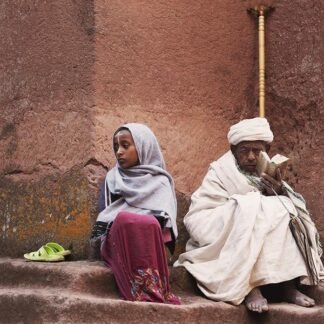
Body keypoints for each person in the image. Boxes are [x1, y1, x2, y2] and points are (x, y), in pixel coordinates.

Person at [175, 117, 323, 313]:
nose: (252, 157)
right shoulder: (219, 172)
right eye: (245, 151)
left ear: (266, 152)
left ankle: (287, 286)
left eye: (257, 151)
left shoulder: (267, 171)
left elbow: (297, 207)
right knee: (253, 207)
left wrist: (276, 192)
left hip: (260, 222)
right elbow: (200, 215)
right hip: (222, 227)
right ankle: (251, 288)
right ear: (234, 150)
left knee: (283, 207)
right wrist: (249, 203)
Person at [90, 123, 180, 304]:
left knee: (142, 222)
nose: (119, 152)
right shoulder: (113, 178)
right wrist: (131, 220)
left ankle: (151, 286)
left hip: (150, 248)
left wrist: (137, 221)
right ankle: (136, 288)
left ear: (143, 147)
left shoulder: (161, 181)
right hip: (117, 243)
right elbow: (107, 216)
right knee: (124, 219)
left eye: (125, 145)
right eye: (116, 147)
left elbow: (164, 223)